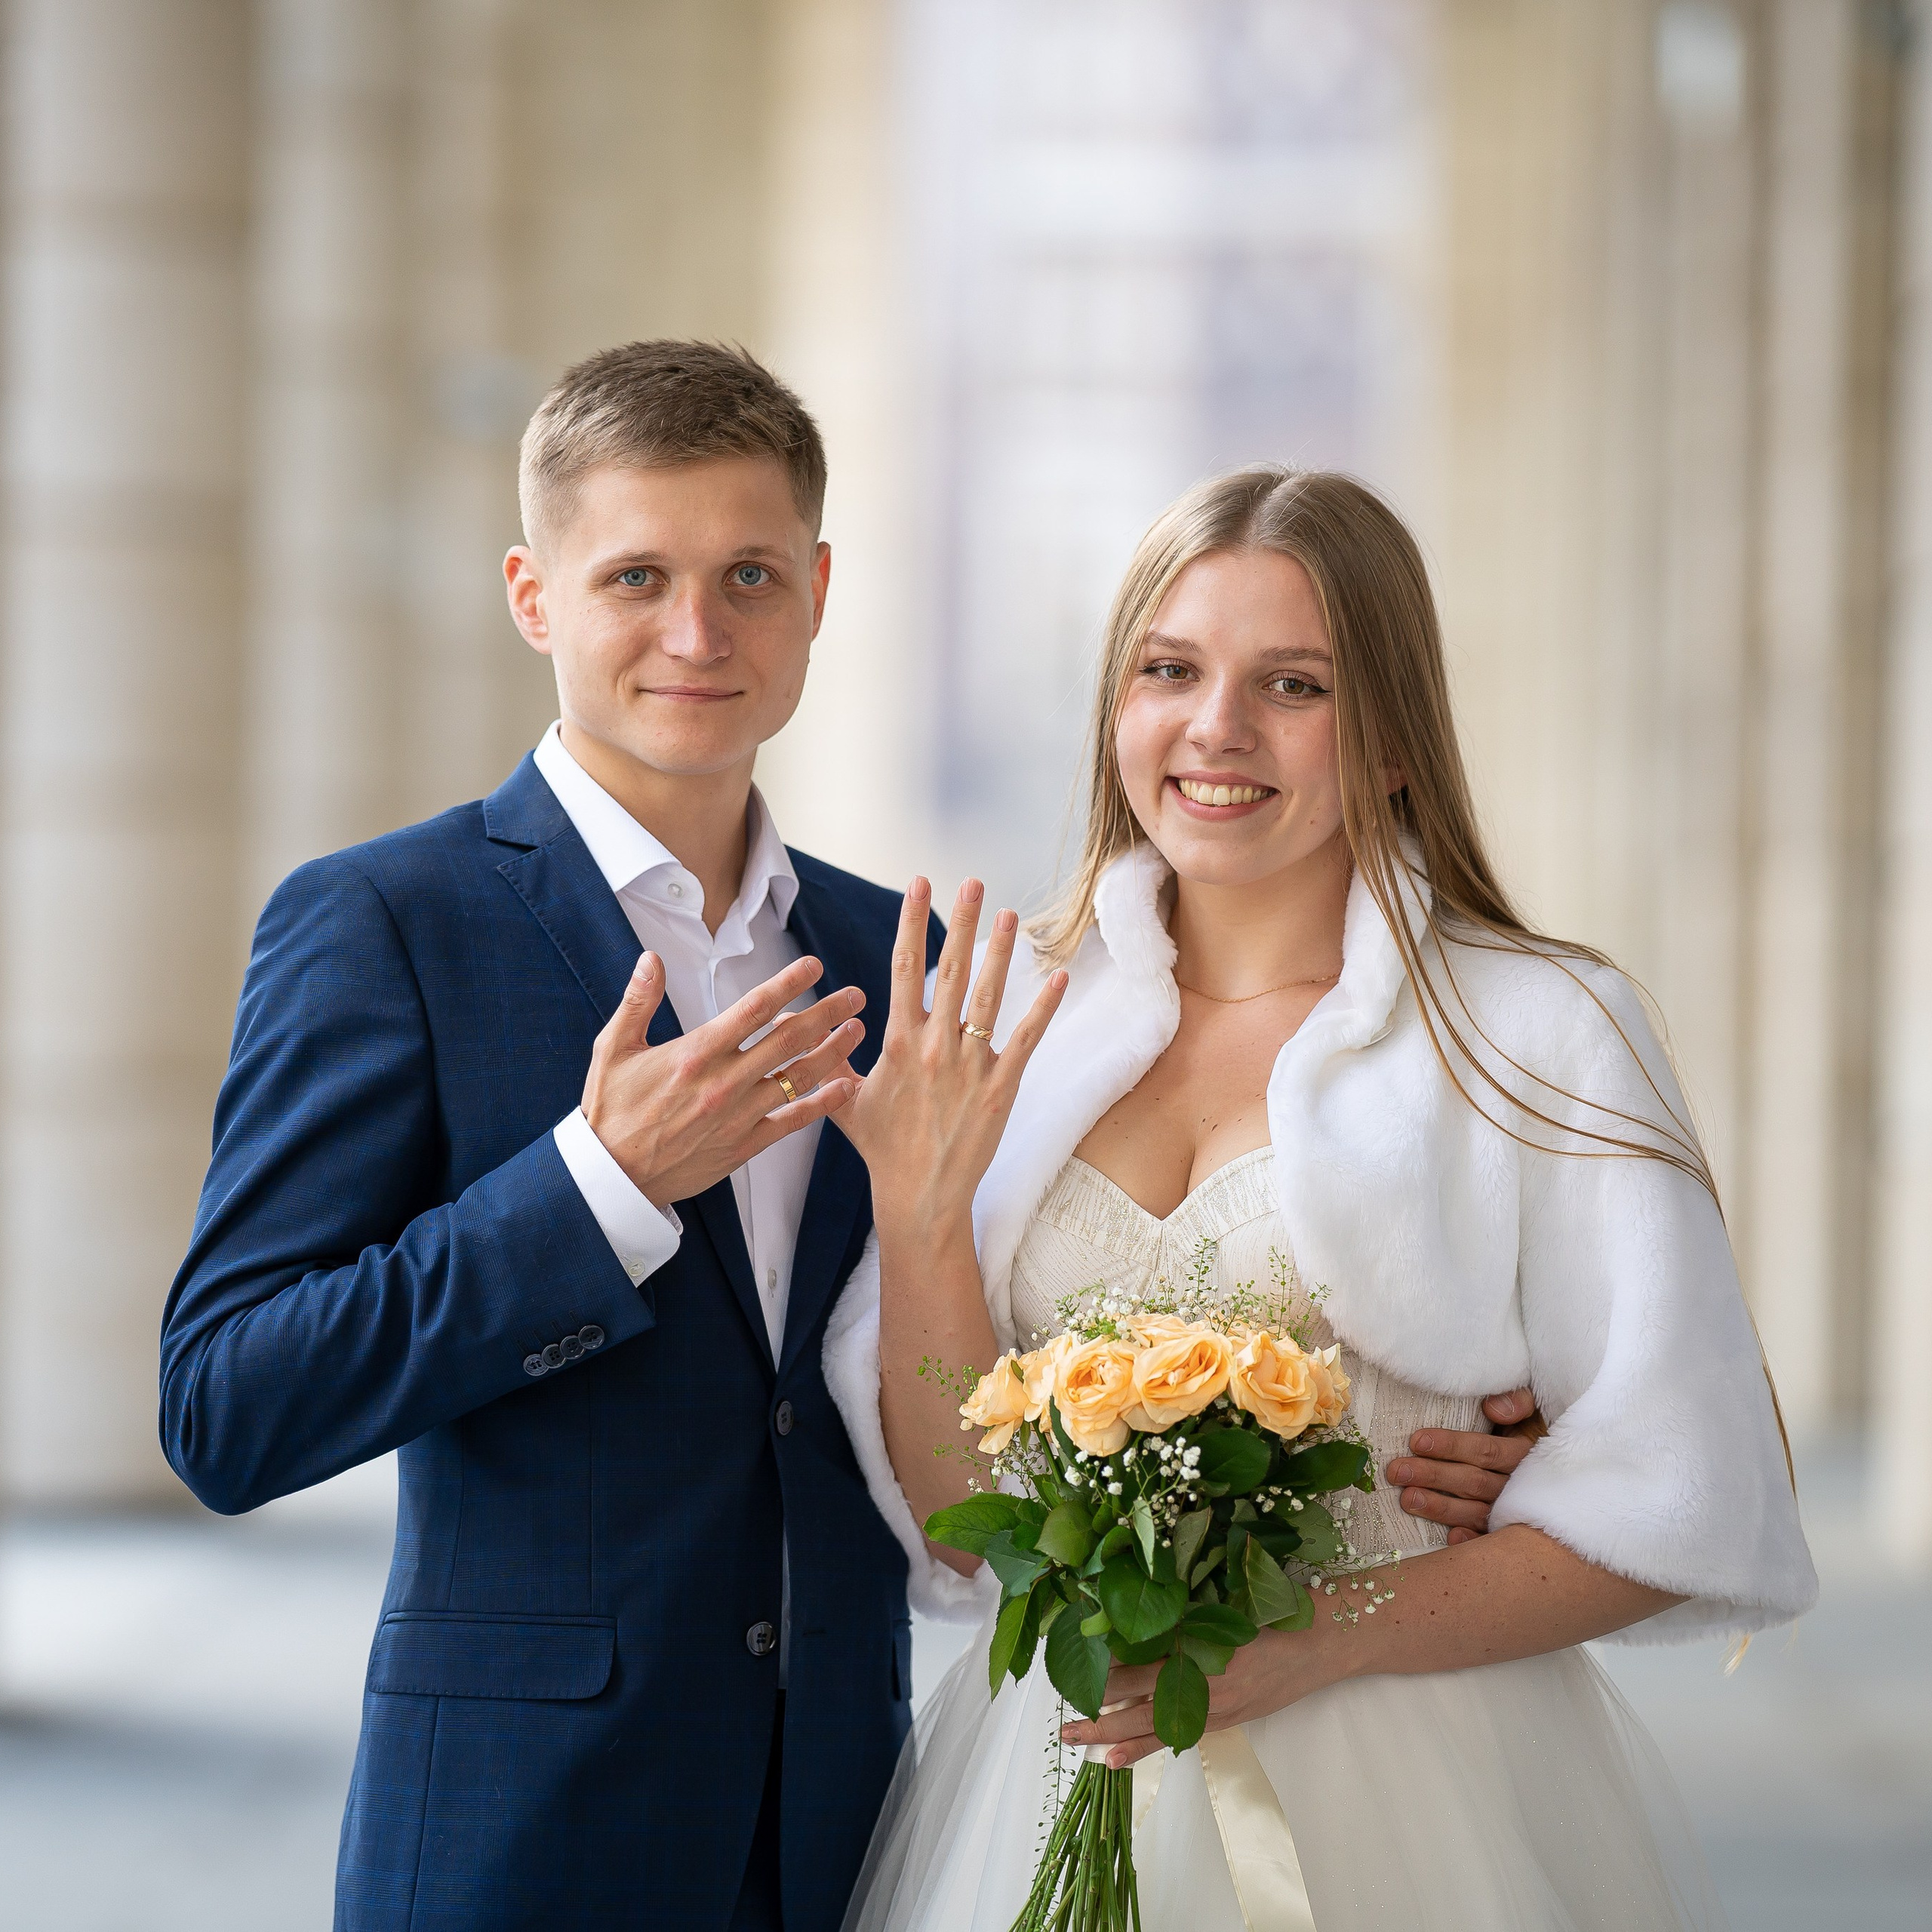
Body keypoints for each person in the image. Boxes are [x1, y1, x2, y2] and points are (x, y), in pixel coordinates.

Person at [158, 343, 1558, 1932]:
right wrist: (592, 1187)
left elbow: (1020, 1335)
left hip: (848, 1835)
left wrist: (1456, 1429)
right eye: (636, 575)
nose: (698, 631)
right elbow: (228, 1403)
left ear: (816, 589)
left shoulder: (904, 960)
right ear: (533, 595)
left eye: (748, 573)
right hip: (521, 1842)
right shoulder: (381, 923)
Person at [826, 467, 1817, 1930]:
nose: (1215, 727)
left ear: (1396, 737)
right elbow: (973, 1530)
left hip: (1414, 1778)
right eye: (1168, 670)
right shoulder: (1018, 1028)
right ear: (1114, 710)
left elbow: (1684, 1488)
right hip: (1051, 1765)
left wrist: (1317, 1636)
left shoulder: (1537, 1027)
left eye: (1291, 682)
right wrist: (914, 1216)